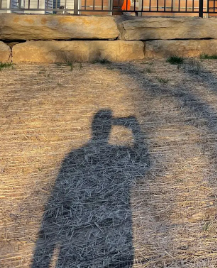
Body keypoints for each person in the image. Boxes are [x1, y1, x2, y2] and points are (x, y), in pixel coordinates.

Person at [32, 110, 150, 268]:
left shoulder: (74, 157)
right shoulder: (119, 154)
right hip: (114, 243)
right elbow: (144, 163)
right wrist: (135, 128)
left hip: (76, 249)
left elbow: (56, 203)